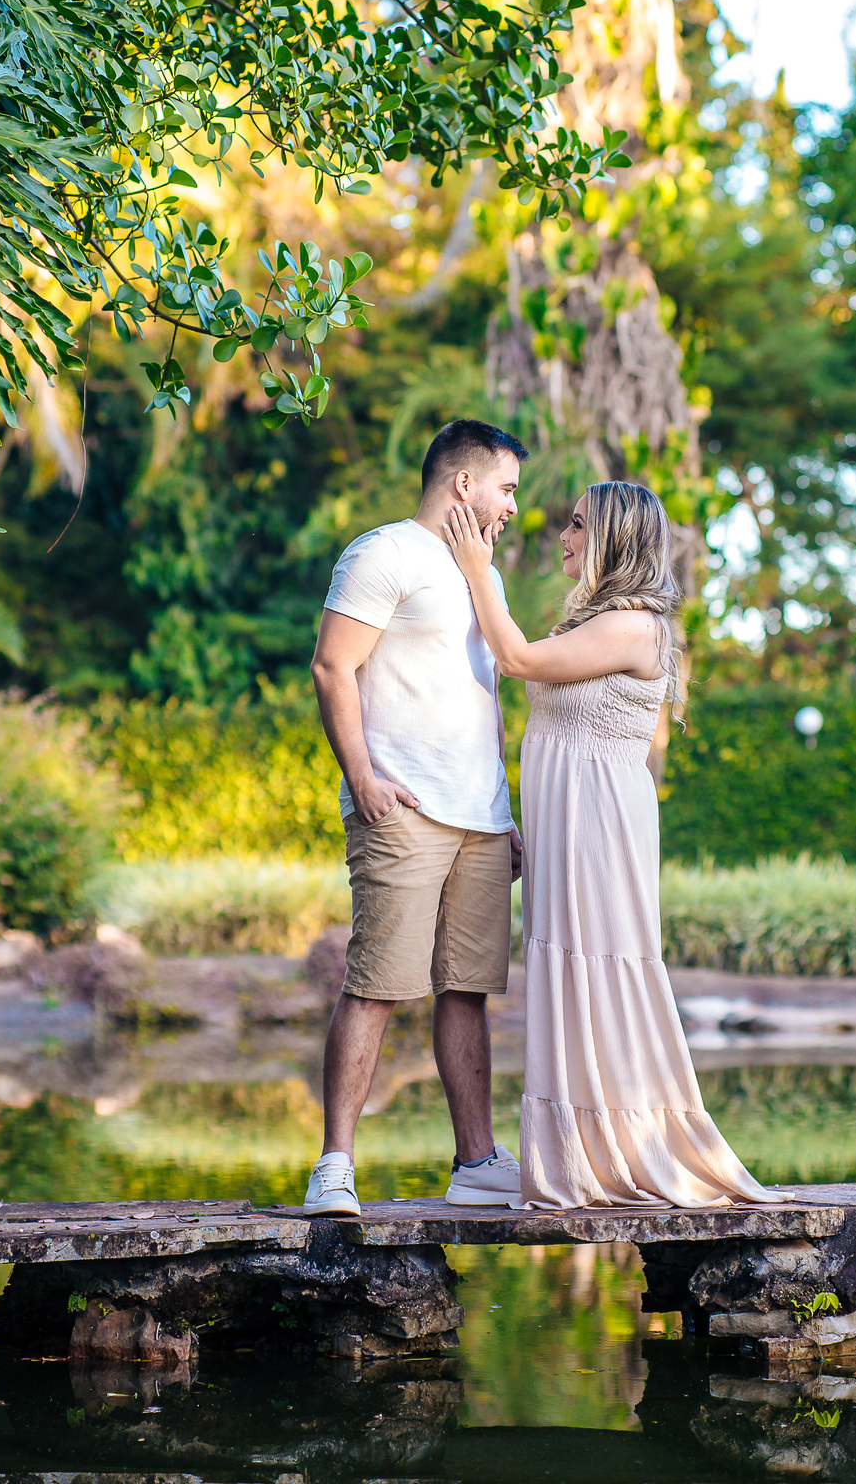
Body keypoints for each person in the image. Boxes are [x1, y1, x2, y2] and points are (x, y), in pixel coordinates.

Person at [444, 480, 787, 1210]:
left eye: (577, 525)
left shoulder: (634, 626)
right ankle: (584, 1152)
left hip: (600, 823)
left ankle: (633, 1146)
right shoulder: (598, 623)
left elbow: (516, 659)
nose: (564, 537)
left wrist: (477, 567)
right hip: (569, 823)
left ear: (613, 538)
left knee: (605, 968)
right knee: (572, 973)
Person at [303, 419, 529, 1216]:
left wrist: (504, 811)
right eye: (506, 488)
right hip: (403, 808)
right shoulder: (384, 553)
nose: (512, 506)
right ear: (463, 482)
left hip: (479, 819)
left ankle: (476, 1162)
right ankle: (334, 1167)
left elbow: (487, 695)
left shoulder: (483, 573)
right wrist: (361, 777)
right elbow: (332, 665)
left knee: (465, 991)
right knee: (375, 986)